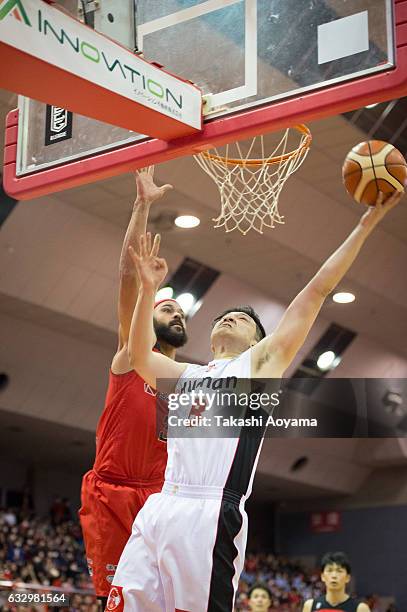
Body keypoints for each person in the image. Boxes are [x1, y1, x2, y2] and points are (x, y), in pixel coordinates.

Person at [109, 190, 402, 612]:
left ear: (260, 344)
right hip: (160, 507)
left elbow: (318, 291)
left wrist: (365, 224)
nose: (230, 317)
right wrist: (148, 290)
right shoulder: (189, 375)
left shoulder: (257, 370)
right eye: (224, 317)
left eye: (244, 319)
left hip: (210, 515)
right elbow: (139, 355)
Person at [79, 168, 188, 610]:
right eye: (168, 309)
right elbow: (127, 278)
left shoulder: (188, 383)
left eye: (182, 313)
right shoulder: (130, 357)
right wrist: (143, 206)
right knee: (114, 602)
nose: (178, 315)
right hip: (115, 494)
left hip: (162, 498)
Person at [302, 552, 371, 612]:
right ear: (322, 576)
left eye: (339, 571)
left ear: (347, 578)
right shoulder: (310, 606)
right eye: (329, 570)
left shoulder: (360, 608)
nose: (334, 576)